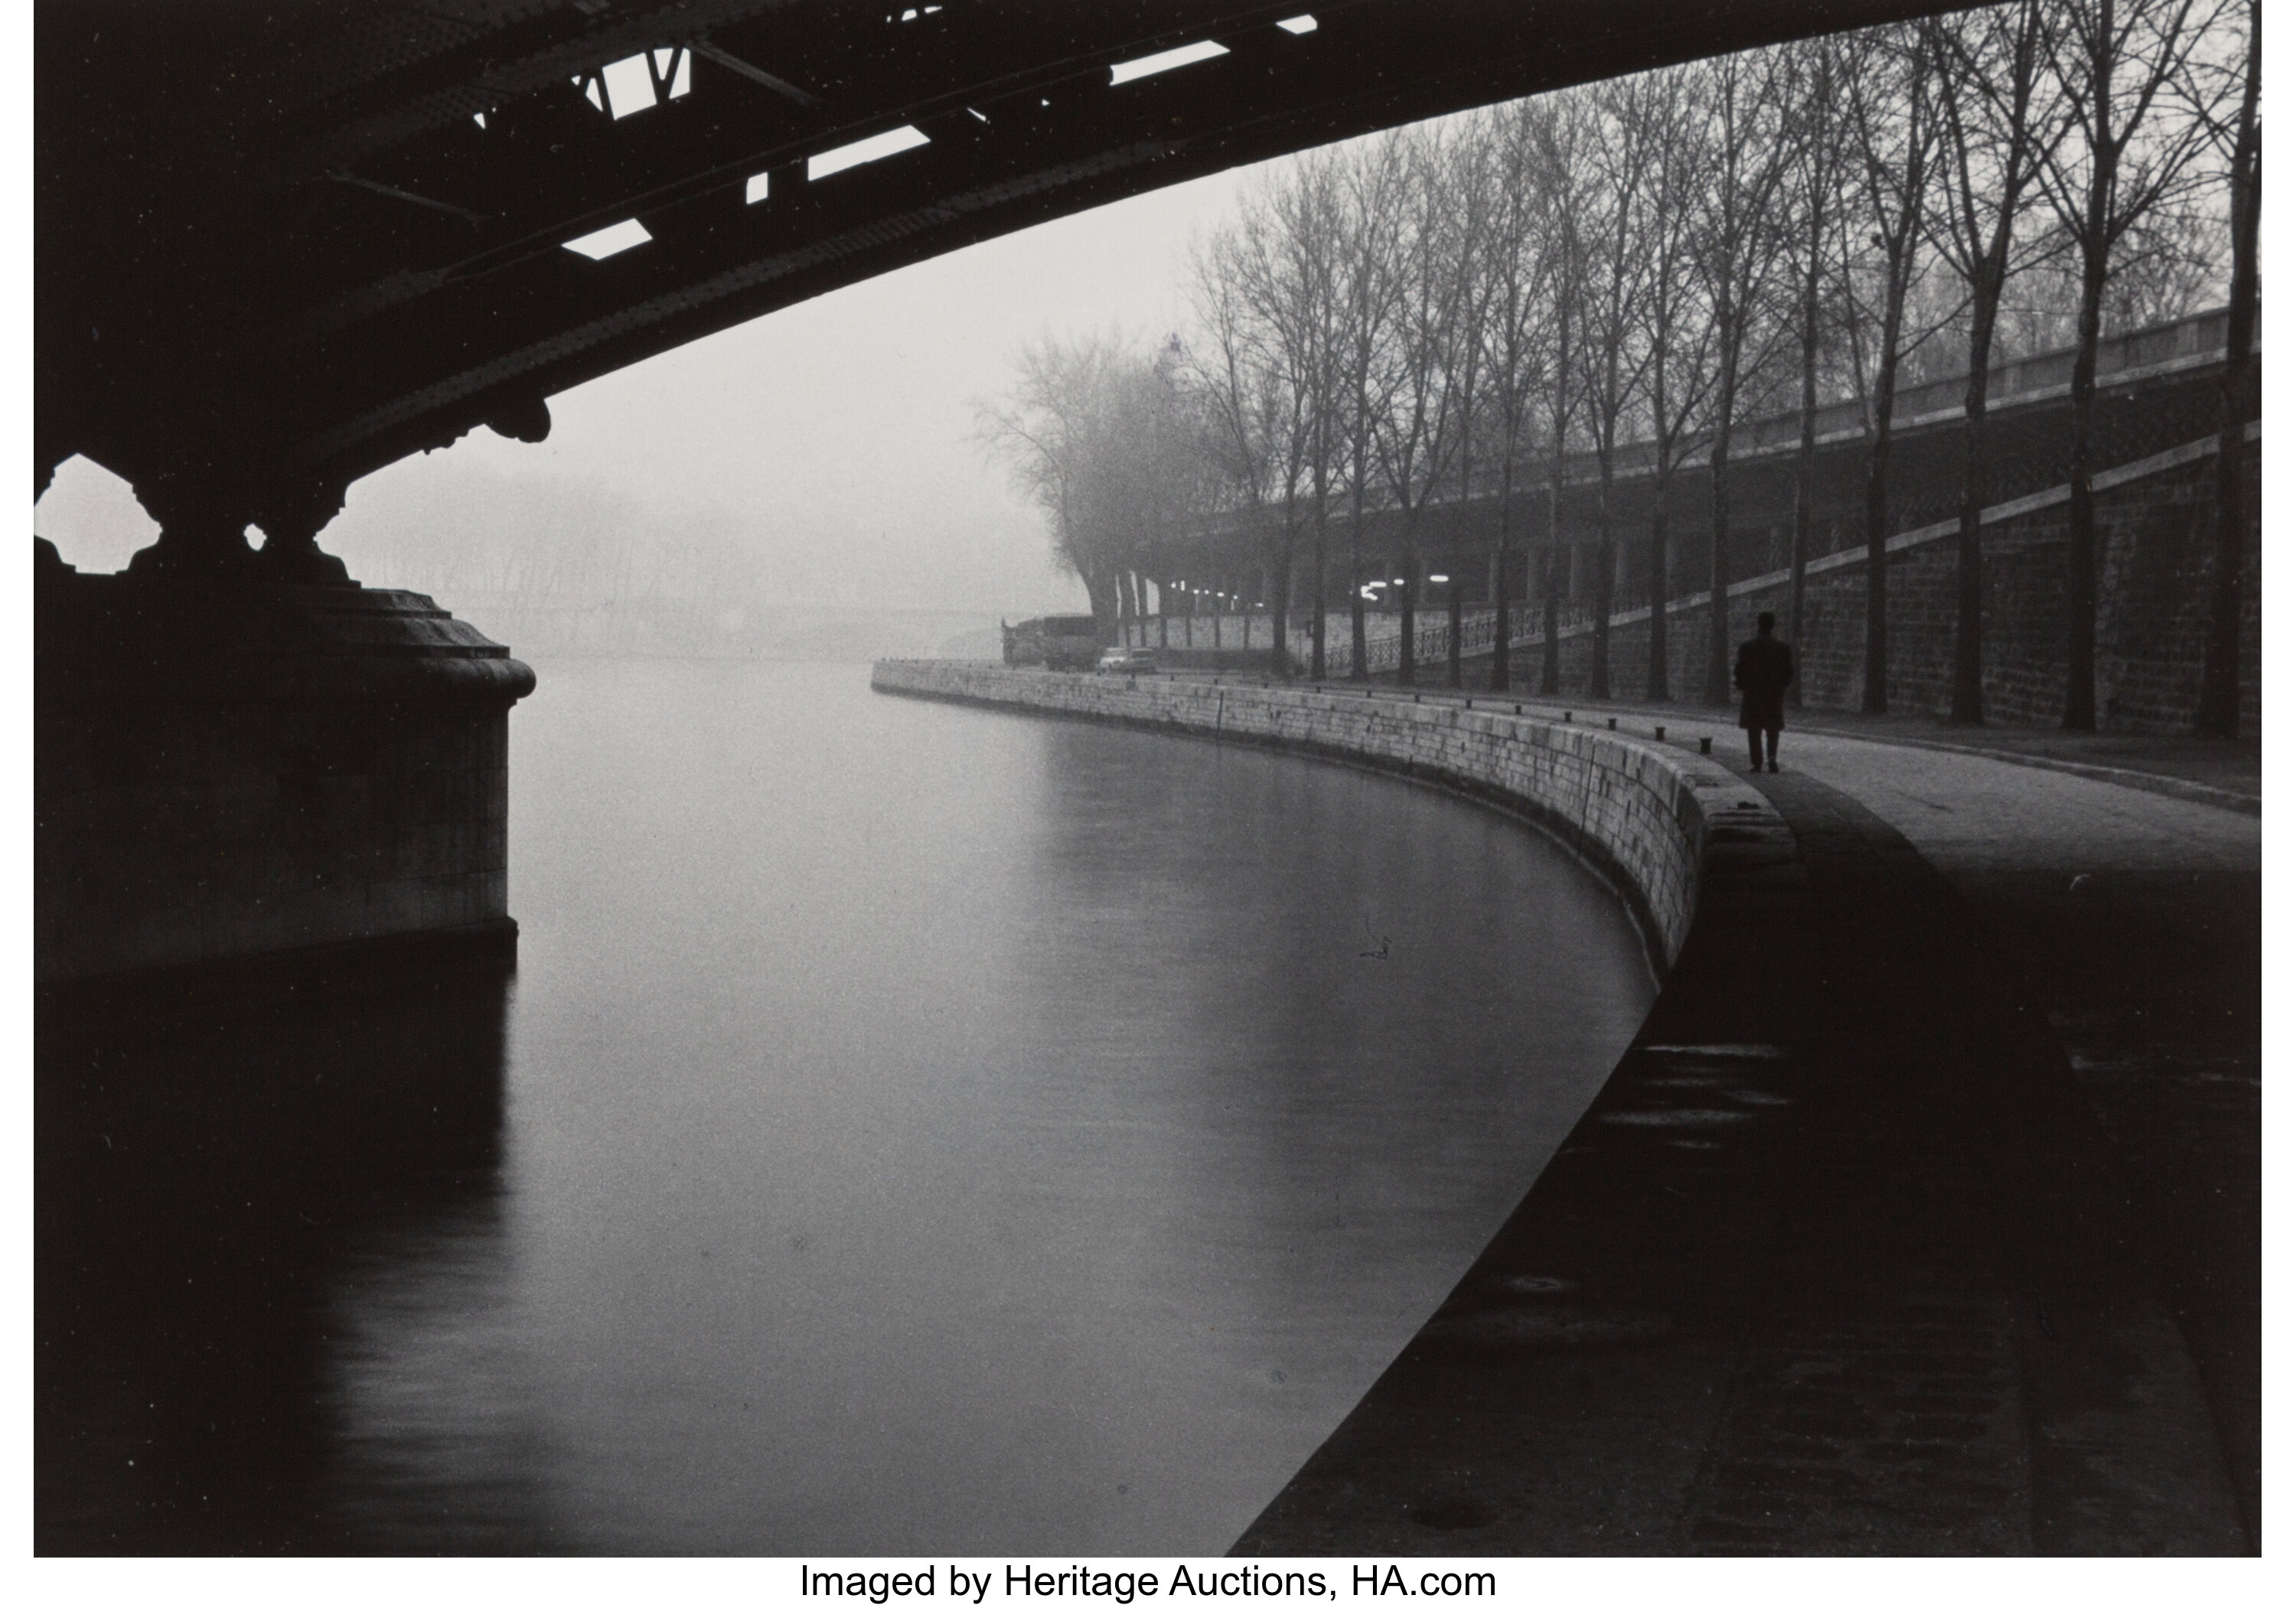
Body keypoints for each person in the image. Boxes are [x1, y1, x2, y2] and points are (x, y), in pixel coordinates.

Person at [1734, 612, 1793, 773]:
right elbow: (1788, 672)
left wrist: (1743, 686)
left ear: (1758, 625)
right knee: (1772, 728)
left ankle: (1757, 762)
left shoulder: (1746, 648)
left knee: (1754, 729)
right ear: (1772, 626)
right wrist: (1781, 687)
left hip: (1753, 692)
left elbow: (1739, 671)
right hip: (1773, 693)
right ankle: (1772, 757)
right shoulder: (1783, 648)